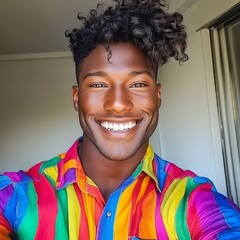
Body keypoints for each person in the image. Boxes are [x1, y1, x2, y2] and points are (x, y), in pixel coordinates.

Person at [1, 0, 240, 239]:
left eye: (137, 84)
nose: (118, 104)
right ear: (77, 98)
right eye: (98, 84)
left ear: (157, 97)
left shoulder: (194, 200)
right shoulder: (15, 194)